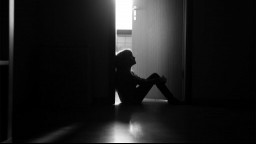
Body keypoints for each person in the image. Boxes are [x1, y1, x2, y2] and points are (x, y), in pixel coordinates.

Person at [115, 49, 181, 105]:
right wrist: (158, 80)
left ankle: (171, 98)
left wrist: (158, 80)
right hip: (132, 101)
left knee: (155, 77)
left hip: (129, 99)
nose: (134, 57)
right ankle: (171, 99)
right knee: (155, 76)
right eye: (131, 56)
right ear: (126, 60)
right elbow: (143, 83)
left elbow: (142, 81)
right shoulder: (125, 73)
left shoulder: (127, 72)